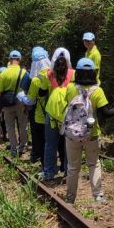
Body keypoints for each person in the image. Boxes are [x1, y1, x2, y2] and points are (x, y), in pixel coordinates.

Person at [55, 57, 114, 204]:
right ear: (93, 73)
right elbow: (106, 113)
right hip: (91, 134)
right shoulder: (97, 91)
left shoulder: (71, 88)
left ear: (77, 73)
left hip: (72, 135)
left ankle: (70, 197)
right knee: (94, 164)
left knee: (73, 167)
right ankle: (98, 195)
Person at [41, 48, 73, 181]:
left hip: (52, 111)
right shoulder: (73, 73)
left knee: (50, 144)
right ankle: (68, 171)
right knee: (69, 144)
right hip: (68, 111)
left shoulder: (49, 74)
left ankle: (49, 172)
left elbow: (42, 90)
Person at [0, 50, 28, 156]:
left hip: (7, 103)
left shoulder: (4, 73)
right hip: (21, 102)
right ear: (20, 59)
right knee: (22, 125)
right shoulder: (24, 72)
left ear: (9, 59)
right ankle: (23, 146)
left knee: (10, 126)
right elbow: (28, 90)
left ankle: (13, 148)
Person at [26, 47, 51, 164]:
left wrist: (22, 97)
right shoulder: (54, 75)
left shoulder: (35, 79)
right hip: (53, 113)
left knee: (38, 137)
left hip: (38, 113)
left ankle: (39, 157)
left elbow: (30, 101)